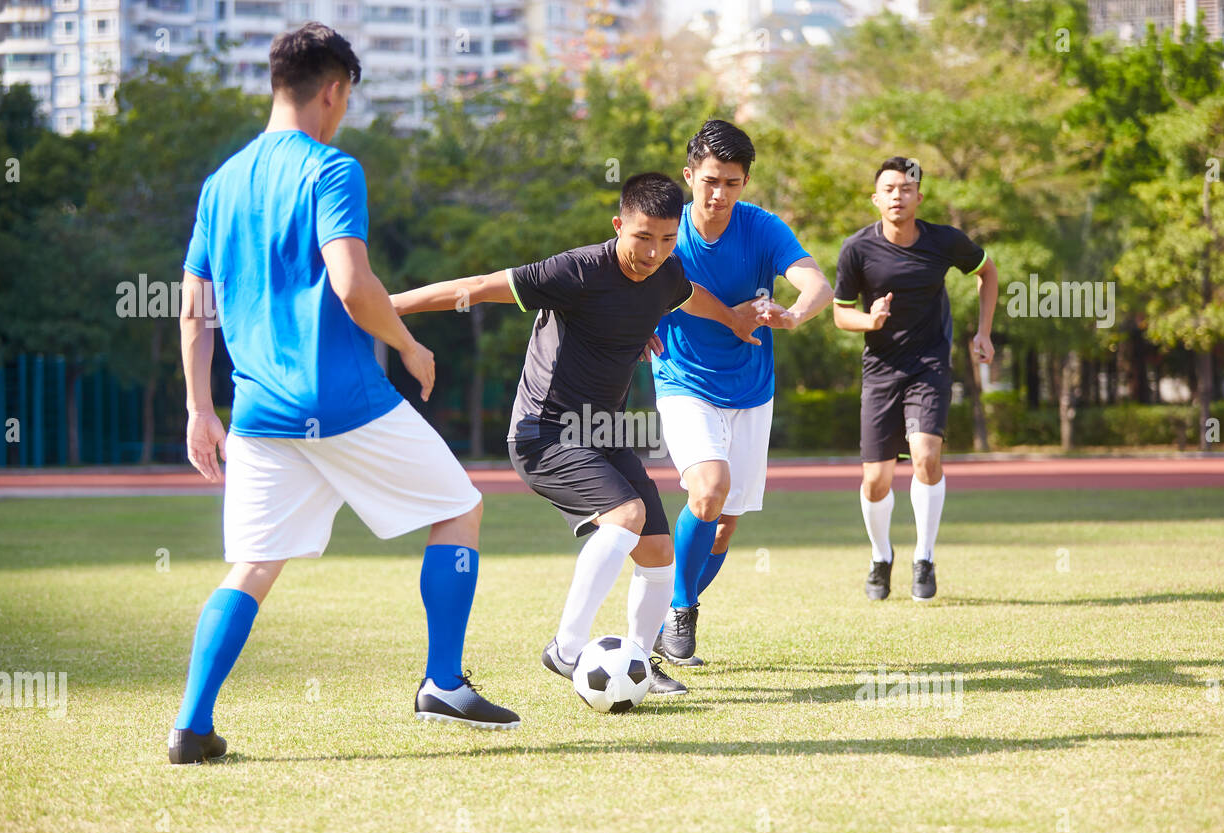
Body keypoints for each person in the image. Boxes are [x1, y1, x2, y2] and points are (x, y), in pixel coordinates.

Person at [171, 22, 519, 765]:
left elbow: (194, 307)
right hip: (342, 398)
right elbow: (353, 284)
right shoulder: (332, 170)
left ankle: (192, 727)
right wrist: (407, 342)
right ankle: (443, 682)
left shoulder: (221, 184)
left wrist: (202, 409)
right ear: (333, 90)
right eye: (347, 99)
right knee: (460, 508)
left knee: (255, 566)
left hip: (258, 411)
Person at [390, 173, 761, 697]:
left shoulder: (666, 274)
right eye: (642, 237)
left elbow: (688, 293)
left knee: (658, 555)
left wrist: (729, 320)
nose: (654, 251)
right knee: (626, 517)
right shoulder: (576, 270)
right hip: (544, 434)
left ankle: (638, 663)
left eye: (666, 238)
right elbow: (470, 289)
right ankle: (566, 649)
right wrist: (382, 307)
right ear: (618, 225)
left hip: (604, 432)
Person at [651, 120, 834, 665]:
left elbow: (816, 283)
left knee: (725, 524)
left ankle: (665, 615)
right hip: (683, 381)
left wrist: (797, 314)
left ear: (745, 182)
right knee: (708, 491)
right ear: (688, 176)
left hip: (752, 388)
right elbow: (631, 281)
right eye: (709, 180)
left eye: (732, 182)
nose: (719, 193)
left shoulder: (762, 227)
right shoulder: (666, 228)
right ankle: (681, 610)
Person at [832, 156, 998, 601]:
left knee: (925, 455)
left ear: (918, 197)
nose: (897, 196)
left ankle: (924, 558)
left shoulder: (944, 241)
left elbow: (987, 271)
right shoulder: (857, 249)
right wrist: (870, 320)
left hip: (930, 364)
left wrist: (983, 332)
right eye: (888, 189)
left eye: (906, 189)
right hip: (881, 370)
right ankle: (880, 556)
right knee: (876, 479)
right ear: (876, 198)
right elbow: (839, 314)